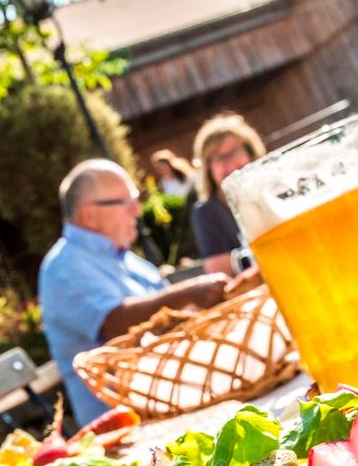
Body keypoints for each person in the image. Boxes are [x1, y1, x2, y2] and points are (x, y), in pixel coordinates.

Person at [38, 160, 230, 427]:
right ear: (89, 215)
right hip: (131, 428)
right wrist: (187, 293)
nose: (137, 209)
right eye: (126, 201)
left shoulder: (125, 259)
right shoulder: (63, 268)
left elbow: (176, 321)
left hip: (177, 402)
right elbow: (115, 324)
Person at [188, 114, 266, 275]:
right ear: (208, 169)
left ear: (251, 153)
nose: (229, 165)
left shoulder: (272, 190)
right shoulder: (207, 213)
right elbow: (223, 279)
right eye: (219, 158)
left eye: (233, 153)